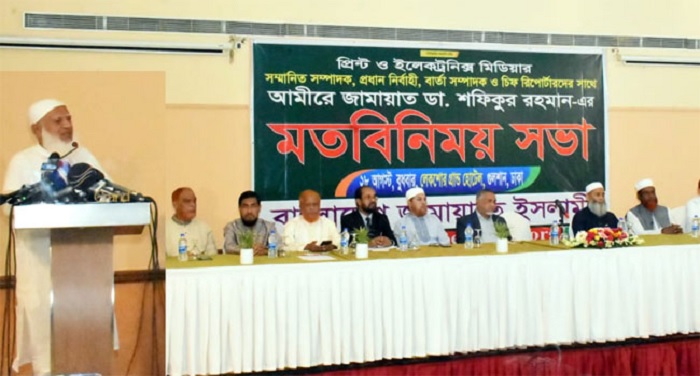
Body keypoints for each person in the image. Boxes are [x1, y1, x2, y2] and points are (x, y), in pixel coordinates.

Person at [1, 99, 109, 375]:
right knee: (45, 346)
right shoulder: (23, 161)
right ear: (37, 129)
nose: (67, 125)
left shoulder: (84, 157)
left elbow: (110, 195)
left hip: (84, 271)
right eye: (58, 120)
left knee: (85, 345)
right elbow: (8, 207)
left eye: (69, 119)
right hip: (39, 268)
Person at [223, 190, 280, 255]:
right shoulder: (232, 226)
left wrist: (265, 251)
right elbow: (228, 247)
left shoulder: (269, 226)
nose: (249, 211)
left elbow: (280, 247)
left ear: (259, 208)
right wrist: (250, 250)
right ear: (239, 208)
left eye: (253, 206)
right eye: (245, 206)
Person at [166, 187, 217, 257]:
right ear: (175, 204)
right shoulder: (165, 230)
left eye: (194, 201)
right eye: (187, 201)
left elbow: (214, 258)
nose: (193, 205)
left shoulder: (205, 229)